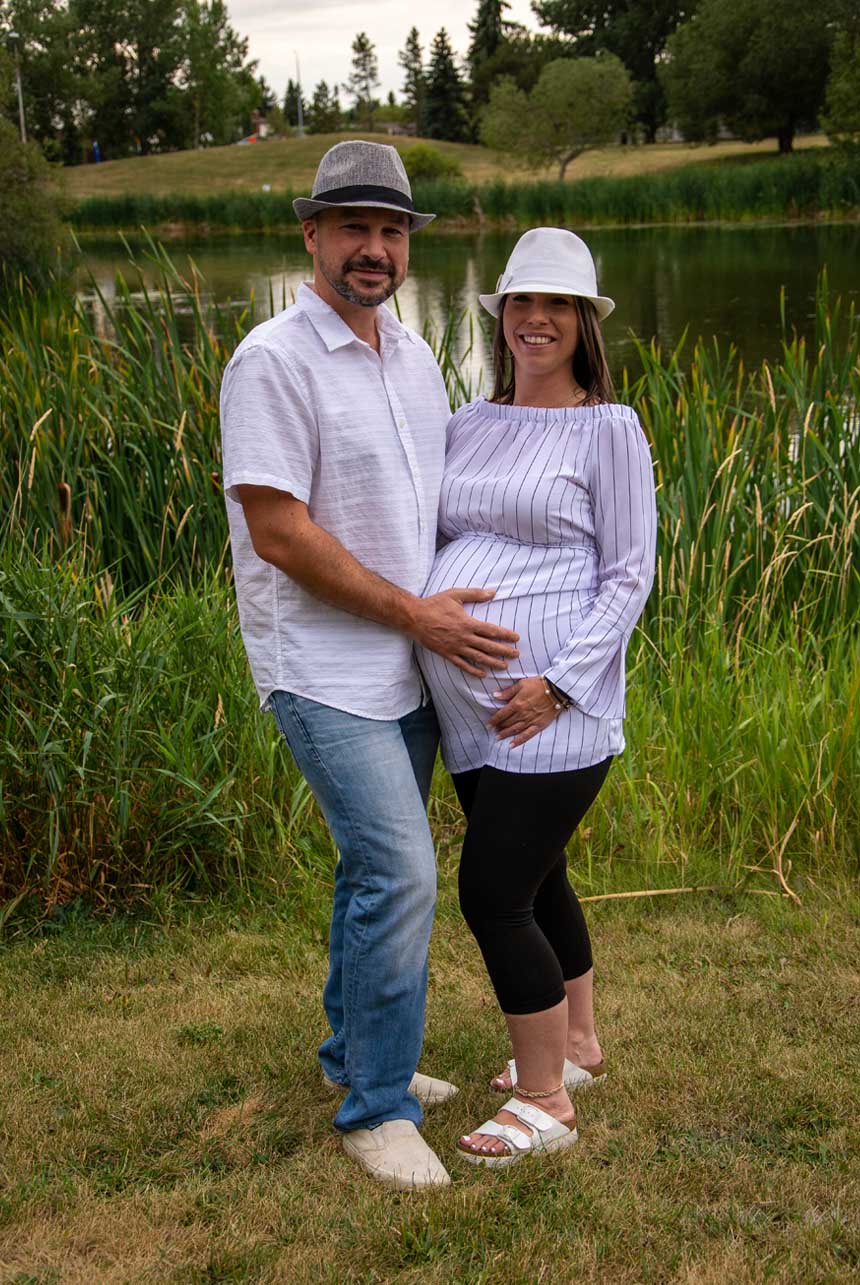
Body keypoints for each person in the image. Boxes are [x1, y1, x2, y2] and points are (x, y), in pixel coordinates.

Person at [219, 141, 520, 1190]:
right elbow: (279, 535)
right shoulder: (271, 359)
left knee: (370, 872)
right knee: (400, 871)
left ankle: (355, 1054)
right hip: (321, 666)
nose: (374, 247)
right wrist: (419, 618)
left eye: (390, 230)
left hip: (411, 664)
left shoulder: (413, 354)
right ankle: (375, 1109)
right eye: (352, 226)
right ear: (310, 234)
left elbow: (432, 508)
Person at [418, 227, 658, 1167]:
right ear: (502, 316)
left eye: (556, 305)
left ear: (584, 323)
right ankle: (581, 1043)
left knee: (494, 891)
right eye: (522, 303)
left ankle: (547, 1100)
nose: (536, 321)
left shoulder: (610, 428)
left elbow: (628, 574)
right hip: (472, 707)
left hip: (556, 708)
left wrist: (558, 684)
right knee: (541, 873)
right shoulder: (470, 423)